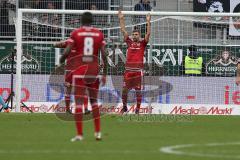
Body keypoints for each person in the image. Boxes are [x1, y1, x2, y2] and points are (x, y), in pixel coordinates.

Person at [60, 12, 107, 141]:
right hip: (93, 69)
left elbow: (67, 50)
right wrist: (105, 73)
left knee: (79, 102)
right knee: (94, 102)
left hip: (80, 70)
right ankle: (97, 133)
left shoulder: (76, 33)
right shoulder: (99, 33)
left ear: (81, 21)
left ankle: (79, 135)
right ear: (92, 21)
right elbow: (104, 54)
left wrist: (61, 59)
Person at [118, 10, 151, 114]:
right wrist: (121, 18)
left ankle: (137, 110)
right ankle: (124, 108)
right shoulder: (129, 42)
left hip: (137, 72)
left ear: (139, 35)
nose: (134, 36)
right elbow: (123, 30)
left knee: (138, 91)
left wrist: (148, 22)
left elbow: (148, 33)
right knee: (124, 91)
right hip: (128, 71)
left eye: (136, 34)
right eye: (133, 34)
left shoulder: (142, 43)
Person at [54, 39, 90, 115]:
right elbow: (56, 45)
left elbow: (56, 45)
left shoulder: (73, 43)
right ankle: (70, 109)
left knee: (79, 89)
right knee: (72, 88)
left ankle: (84, 109)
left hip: (75, 70)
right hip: (73, 70)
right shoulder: (72, 42)